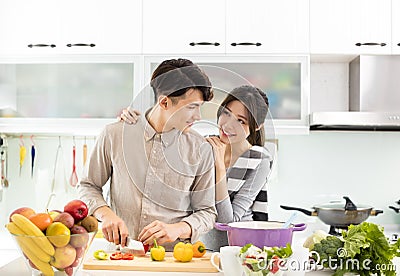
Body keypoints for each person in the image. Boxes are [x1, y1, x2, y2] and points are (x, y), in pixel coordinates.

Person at [78, 58, 217, 251]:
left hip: (174, 261)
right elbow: (88, 185)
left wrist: (178, 229)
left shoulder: (201, 149)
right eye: (192, 107)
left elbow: (207, 212)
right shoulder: (115, 134)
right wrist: (106, 214)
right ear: (165, 102)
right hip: (120, 257)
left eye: (199, 107)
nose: (198, 117)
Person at [120, 85, 273, 250]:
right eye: (226, 113)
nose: (228, 125)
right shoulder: (204, 145)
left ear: (257, 126)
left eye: (240, 120)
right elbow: (162, 133)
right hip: (200, 248)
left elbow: (229, 222)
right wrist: (135, 121)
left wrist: (219, 166)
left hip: (239, 250)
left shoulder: (259, 160)